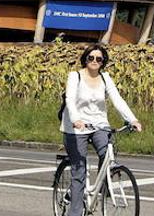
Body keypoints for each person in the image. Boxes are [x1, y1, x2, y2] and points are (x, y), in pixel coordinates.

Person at [60, 44, 142, 216]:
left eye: (99, 58)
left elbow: (117, 99)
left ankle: (101, 193)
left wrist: (131, 119)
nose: (95, 61)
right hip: (76, 128)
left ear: (103, 61)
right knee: (79, 173)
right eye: (91, 58)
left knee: (108, 157)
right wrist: (76, 119)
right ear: (85, 59)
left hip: (98, 125)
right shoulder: (75, 76)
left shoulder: (105, 78)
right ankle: (74, 211)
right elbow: (70, 99)